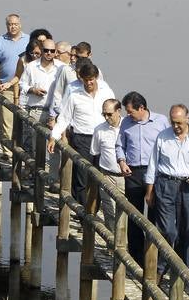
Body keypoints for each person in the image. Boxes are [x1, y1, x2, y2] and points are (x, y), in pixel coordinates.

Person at [145, 103, 189, 279]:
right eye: (173, 122)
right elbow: (153, 165)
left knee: (185, 231)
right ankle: (161, 269)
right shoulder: (163, 137)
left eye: (179, 123)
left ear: (187, 119)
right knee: (168, 230)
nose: (175, 127)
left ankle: (180, 272)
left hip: (188, 187)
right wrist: (149, 191)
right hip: (165, 185)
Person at [47, 62, 115, 206]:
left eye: (91, 79)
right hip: (82, 138)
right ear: (81, 79)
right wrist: (53, 137)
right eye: (86, 80)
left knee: (100, 177)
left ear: (96, 77)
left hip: (102, 138)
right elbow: (64, 118)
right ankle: (82, 213)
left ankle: (94, 210)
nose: (89, 82)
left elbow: (115, 113)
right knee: (81, 177)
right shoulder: (74, 95)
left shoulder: (106, 91)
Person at [115, 91, 169, 266]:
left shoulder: (161, 122)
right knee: (134, 216)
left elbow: (168, 147)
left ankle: (154, 259)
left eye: (130, 111)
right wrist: (122, 161)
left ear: (142, 108)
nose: (128, 114)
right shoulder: (126, 123)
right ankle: (136, 260)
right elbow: (119, 145)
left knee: (155, 215)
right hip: (133, 172)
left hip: (155, 172)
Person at [0, 14, 29, 141]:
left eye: (15, 24)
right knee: (7, 120)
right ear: (7, 26)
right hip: (5, 86)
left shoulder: (28, 40)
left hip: (24, 88)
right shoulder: (0, 40)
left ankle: (22, 150)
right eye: (10, 24)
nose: (13, 27)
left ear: (20, 24)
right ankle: (8, 152)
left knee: (24, 120)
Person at [18, 39, 63, 150]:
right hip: (36, 111)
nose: (49, 53)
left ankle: (49, 168)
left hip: (55, 114)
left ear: (55, 52)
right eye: (46, 50)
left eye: (52, 51)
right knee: (36, 148)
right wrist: (32, 89)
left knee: (54, 148)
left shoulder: (62, 68)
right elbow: (21, 84)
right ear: (42, 50)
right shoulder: (31, 66)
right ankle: (36, 167)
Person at [90, 99, 125, 232]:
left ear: (118, 111)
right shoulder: (99, 130)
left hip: (125, 177)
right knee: (109, 210)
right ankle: (111, 246)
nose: (106, 117)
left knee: (125, 212)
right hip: (107, 175)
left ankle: (124, 246)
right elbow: (95, 151)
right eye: (104, 114)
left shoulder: (128, 127)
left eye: (109, 114)